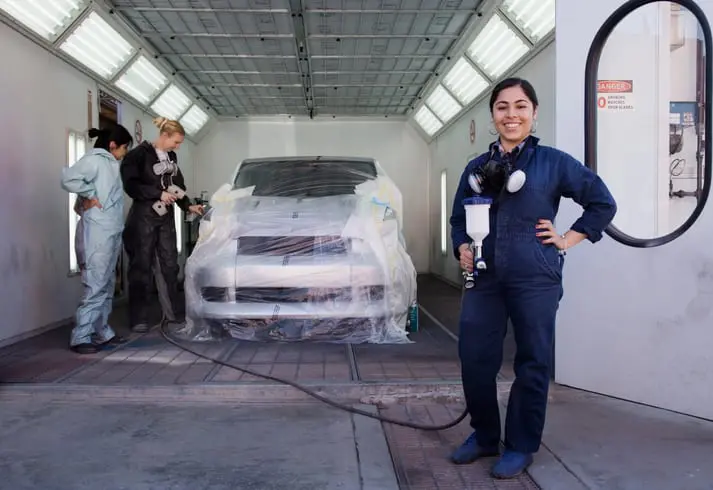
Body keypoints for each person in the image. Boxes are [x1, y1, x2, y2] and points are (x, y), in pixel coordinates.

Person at [448, 78, 617, 479]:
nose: (512, 115)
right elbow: (458, 220)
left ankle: (521, 445)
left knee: (533, 361)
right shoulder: (475, 169)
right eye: (503, 107)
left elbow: (602, 203)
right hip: (484, 278)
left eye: (521, 106)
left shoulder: (554, 163)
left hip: (535, 277)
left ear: (534, 112)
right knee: (474, 358)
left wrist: (566, 240)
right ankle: (485, 435)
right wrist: (462, 248)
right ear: (493, 115)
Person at [120, 117, 204, 333]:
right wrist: (158, 193)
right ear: (164, 136)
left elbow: (178, 185)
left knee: (169, 265)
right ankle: (139, 318)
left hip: (164, 218)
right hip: (143, 218)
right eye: (176, 142)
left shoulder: (171, 157)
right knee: (141, 267)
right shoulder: (137, 156)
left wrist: (188, 206)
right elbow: (131, 185)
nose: (178, 147)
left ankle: (171, 315)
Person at [61, 125, 134, 354]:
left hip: (110, 231)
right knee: (96, 283)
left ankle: (101, 332)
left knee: (106, 284)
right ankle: (81, 336)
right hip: (98, 233)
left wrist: (88, 195)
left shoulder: (110, 163)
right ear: (113, 145)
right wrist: (90, 196)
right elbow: (69, 179)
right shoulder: (95, 159)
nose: (124, 153)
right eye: (124, 148)